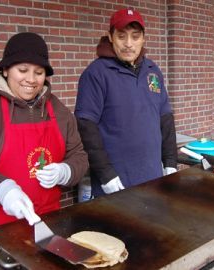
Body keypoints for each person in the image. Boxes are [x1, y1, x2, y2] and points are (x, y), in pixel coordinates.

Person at [0, 32, 88, 268]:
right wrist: (3, 189)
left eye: (39, 72)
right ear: (5, 70)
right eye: (22, 70)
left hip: (47, 224)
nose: (31, 80)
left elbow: (80, 157)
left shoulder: (59, 110)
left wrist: (66, 171)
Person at [75, 8, 177, 197]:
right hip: (117, 183)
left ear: (143, 38)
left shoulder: (153, 71)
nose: (128, 44)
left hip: (153, 178)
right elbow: (86, 127)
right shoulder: (96, 73)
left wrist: (170, 162)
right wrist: (106, 175)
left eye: (135, 37)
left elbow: (165, 119)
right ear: (110, 37)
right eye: (121, 36)